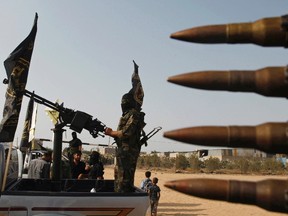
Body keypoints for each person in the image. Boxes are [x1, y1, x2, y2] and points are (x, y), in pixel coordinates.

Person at [105, 60, 146, 192]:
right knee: (120, 177)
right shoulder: (129, 114)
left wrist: (111, 133)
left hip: (128, 152)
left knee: (124, 179)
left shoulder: (133, 114)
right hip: (125, 150)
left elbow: (126, 132)